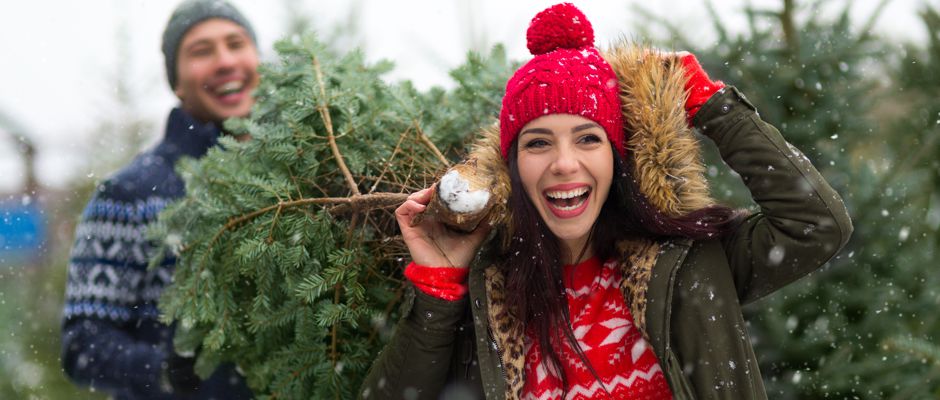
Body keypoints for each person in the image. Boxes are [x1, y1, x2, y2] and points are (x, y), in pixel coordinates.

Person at [360, 3, 852, 399]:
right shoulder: (490, 294)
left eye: (588, 139)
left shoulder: (686, 263)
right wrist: (439, 288)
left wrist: (714, 108)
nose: (564, 164)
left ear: (618, 157)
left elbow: (816, 226)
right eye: (537, 143)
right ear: (511, 168)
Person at [61, 0, 259, 398]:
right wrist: (164, 369)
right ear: (177, 81)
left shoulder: (308, 180)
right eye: (201, 51)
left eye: (235, 43)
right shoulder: (130, 193)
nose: (224, 61)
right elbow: (82, 345)